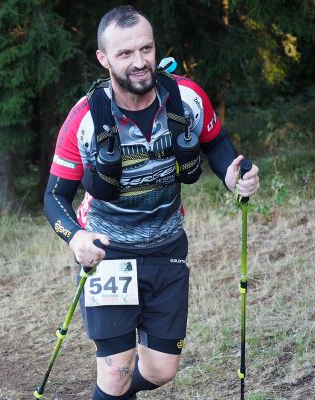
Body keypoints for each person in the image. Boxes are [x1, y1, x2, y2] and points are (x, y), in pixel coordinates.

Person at [43, 6, 260, 400]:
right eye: (126, 54)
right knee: (114, 375)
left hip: (167, 248)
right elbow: (55, 196)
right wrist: (76, 239)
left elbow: (217, 145)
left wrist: (234, 176)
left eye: (146, 49)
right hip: (110, 254)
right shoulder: (84, 120)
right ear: (103, 59)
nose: (141, 62)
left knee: (161, 370)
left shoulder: (186, 98)